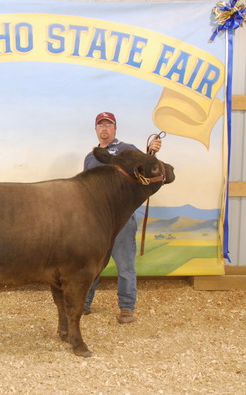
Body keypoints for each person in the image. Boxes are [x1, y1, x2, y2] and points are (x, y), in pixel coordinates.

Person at [83, 111, 162, 324]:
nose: (104, 129)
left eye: (108, 125)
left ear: (115, 129)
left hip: (122, 219)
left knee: (125, 265)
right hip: (96, 221)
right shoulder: (91, 158)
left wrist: (151, 151)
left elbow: (145, 167)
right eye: (101, 125)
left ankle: (127, 307)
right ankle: (84, 303)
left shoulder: (126, 149)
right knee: (92, 264)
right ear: (96, 129)